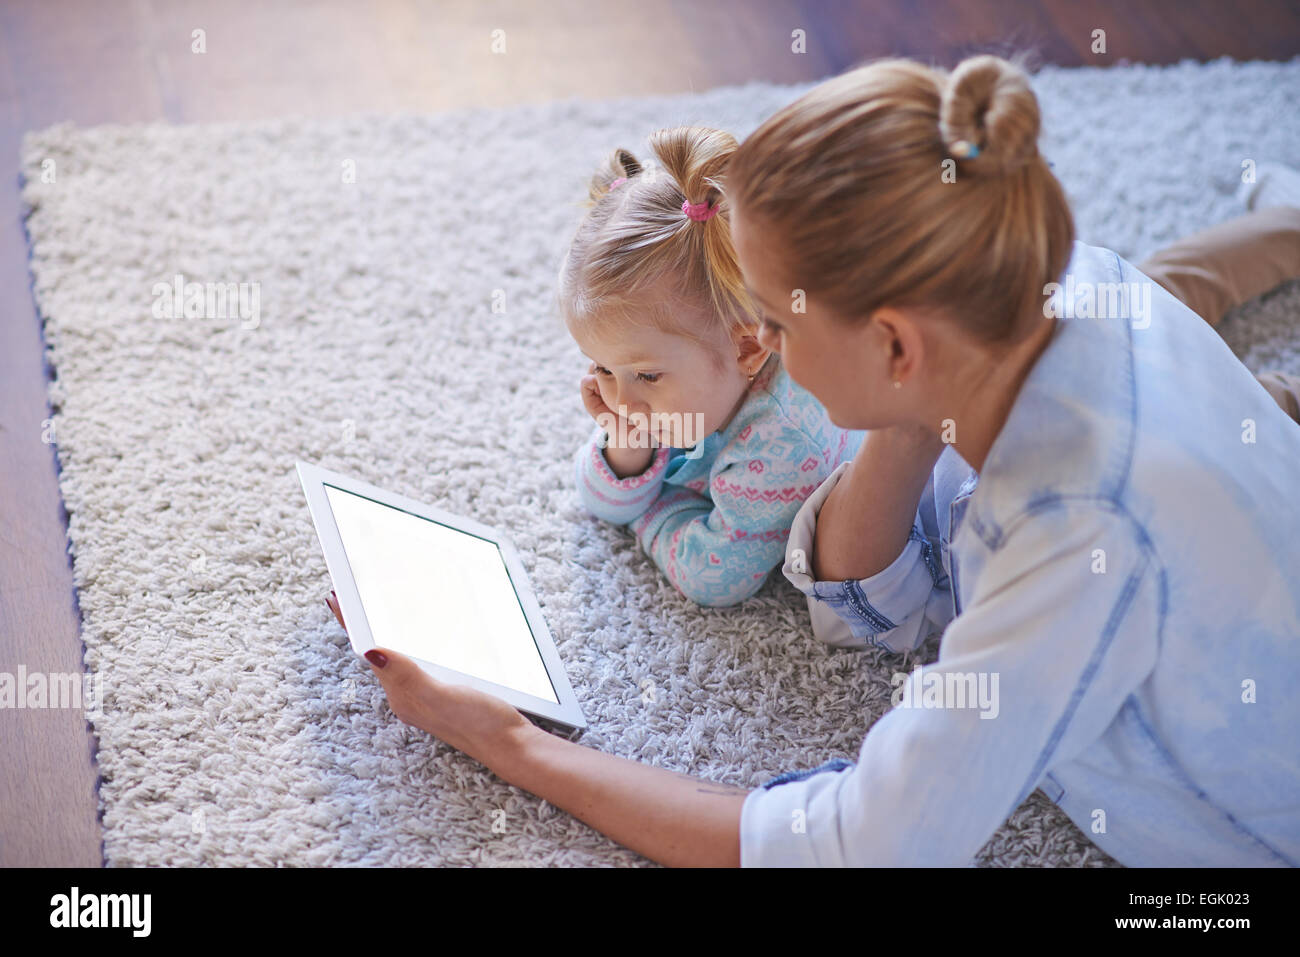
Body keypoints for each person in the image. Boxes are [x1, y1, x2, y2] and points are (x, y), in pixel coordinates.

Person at [329, 54, 1300, 867]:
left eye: (775, 322)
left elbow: (857, 846)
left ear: (891, 341)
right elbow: (884, 603)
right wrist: (909, 408)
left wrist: (511, 746)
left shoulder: (1074, 533)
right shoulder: (1036, 276)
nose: (759, 350)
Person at [562, 128, 861, 608]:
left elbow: (714, 577)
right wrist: (628, 447)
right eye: (600, 368)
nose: (621, 400)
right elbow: (597, 498)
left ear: (747, 351)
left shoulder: (781, 442)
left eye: (646, 375)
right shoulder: (669, 384)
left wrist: (652, 511)